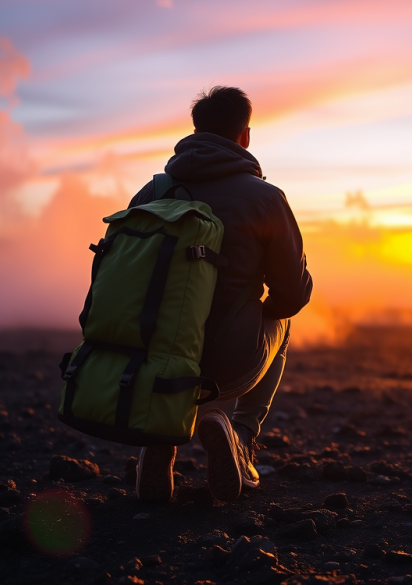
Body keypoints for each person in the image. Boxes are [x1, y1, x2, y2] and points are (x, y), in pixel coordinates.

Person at [130, 86, 312, 502]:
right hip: (228, 362)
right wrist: (257, 309)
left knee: (173, 335)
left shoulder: (151, 193)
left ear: (195, 132)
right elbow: (292, 294)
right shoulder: (266, 198)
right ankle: (241, 437)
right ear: (245, 136)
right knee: (283, 323)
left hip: (148, 359)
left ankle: (161, 434)